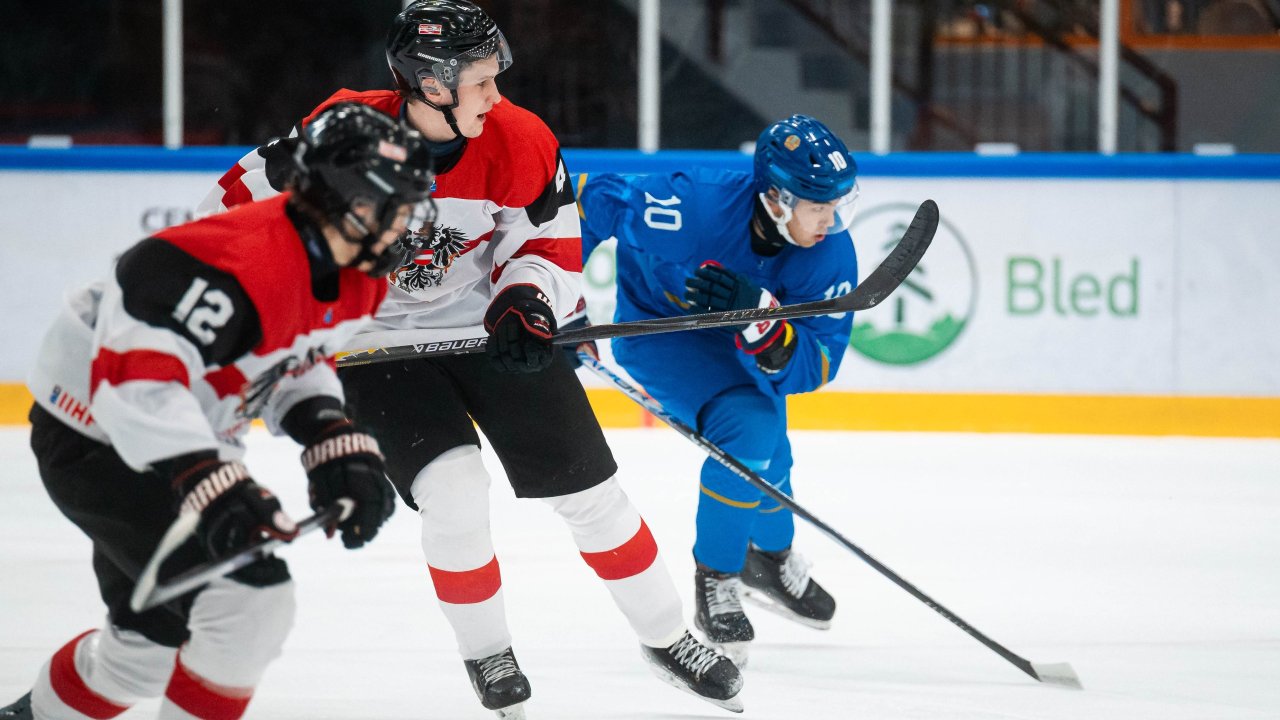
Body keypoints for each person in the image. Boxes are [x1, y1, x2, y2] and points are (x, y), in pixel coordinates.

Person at [196, 2, 743, 717]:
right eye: (482, 81)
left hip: (491, 329)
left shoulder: (519, 140)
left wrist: (527, 301)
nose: (496, 94)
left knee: (591, 497)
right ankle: (488, 652)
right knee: (454, 493)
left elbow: (547, 243)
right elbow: (227, 212)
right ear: (431, 85)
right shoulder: (344, 133)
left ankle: (668, 637)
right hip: (372, 346)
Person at [0, 103, 430, 720]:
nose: (404, 225)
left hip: (168, 440)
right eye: (393, 205)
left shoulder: (356, 273)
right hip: (96, 438)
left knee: (145, 652)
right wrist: (210, 480)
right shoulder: (224, 261)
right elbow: (135, 383)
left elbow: (291, 360)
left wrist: (330, 436)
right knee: (248, 604)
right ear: (342, 199)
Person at [575, 114, 860, 666]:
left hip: (737, 344)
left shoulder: (828, 255)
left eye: (837, 205)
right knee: (751, 427)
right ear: (776, 199)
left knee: (769, 440)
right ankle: (719, 576)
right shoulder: (689, 206)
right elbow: (589, 199)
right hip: (664, 335)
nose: (830, 222)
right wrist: (561, 304)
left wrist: (764, 322)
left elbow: (816, 365)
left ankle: (769, 559)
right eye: (817, 206)